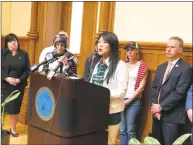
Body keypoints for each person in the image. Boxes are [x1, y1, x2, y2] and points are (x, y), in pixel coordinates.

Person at [151, 36, 192, 145]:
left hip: (172, 117)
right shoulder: (161, 67)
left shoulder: (186, 68)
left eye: (172, 47)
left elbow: (180, 92)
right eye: (167, 47)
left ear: (180, 50)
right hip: (157, 115)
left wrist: (161, 107)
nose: (168, 49)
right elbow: (154, 87)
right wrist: (155, 106)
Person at [90, 31, 128, 144]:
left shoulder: (120, 65)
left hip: (112, 111)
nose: (100, 45)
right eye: (99, 42)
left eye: (104, 42)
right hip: (96, 109)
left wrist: (103, 95)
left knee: (108, 142)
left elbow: (122, 91)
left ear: (112, 45)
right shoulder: (97, 64)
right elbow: (92, 84)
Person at [1, 33, 30, 137]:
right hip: (4, 85)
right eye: (10, 41)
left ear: (18, 42)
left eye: (15, 40)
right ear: (7, 43)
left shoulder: (24, 54)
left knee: (15, 108)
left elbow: (27, 70)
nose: (13, 42)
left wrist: (19, 79)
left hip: (18, 86)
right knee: (1, 107)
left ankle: (13, 129)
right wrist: (6, 78)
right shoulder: (2, 53)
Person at [120, 41, 148, 145]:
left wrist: (128, 101)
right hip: (121, 99)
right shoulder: (122, 65)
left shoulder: (142, 66)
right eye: (128, 50)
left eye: (132, 50)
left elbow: (141, 88)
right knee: (122, 129)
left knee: (130, 129)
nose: (130, 52)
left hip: (134, 101)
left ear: (137, 51)